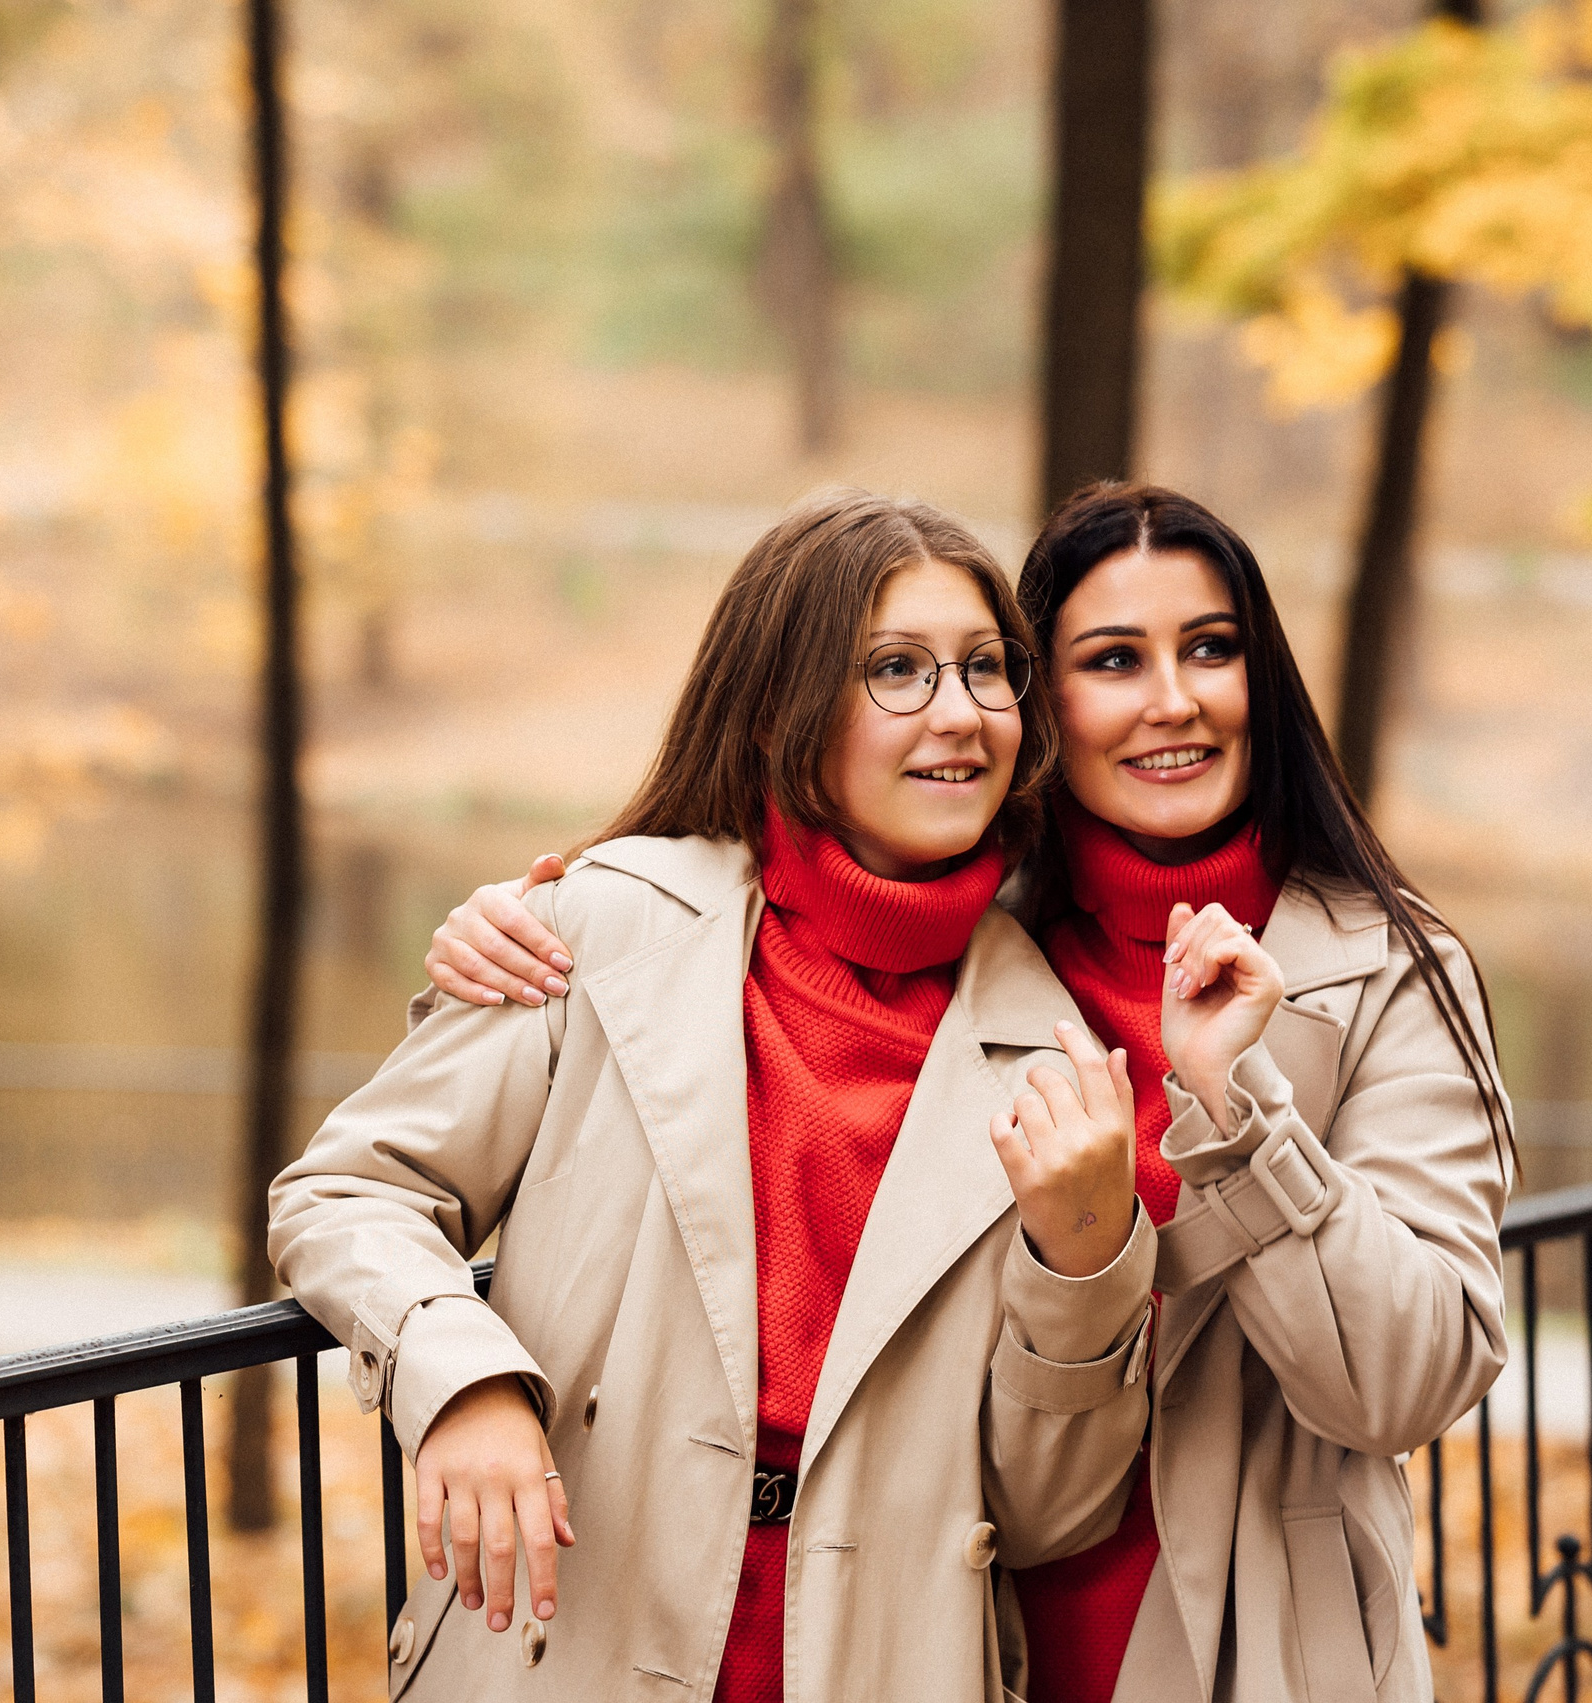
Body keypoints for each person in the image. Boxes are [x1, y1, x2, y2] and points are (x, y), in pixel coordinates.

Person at [424, 482, 1512, 1703]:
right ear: (1045, 702)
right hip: (934, 1630)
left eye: (1212, 648)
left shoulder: (1387, 969)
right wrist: (520, 927)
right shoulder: (969, 937)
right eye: (1112, 659)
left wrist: (1237, 1103)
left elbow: (1411, 1381)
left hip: (1237, 1643)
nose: (1175, 698)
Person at [269, 491, 1160, 1703]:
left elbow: (1048, 1510)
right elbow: (346, 1192)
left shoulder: (1055, 1055)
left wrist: (1086, 1254)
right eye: (894, 669)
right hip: (567, 1641)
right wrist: (462, 1379)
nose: (957, 715)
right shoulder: (599, 923)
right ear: (780, 710)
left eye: (984, 669)